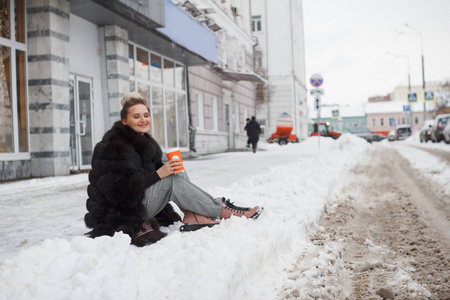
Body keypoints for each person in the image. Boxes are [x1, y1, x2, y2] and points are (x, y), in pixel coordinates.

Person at [85, 92, 264, 247]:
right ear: (124, 121)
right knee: (169, 177)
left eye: (146, 115)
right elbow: (119, 191)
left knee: (172, 165)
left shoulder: (144, 143)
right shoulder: (114, 146)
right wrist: (160, 173)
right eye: (136, 116)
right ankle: (220, 209)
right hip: (120, 213)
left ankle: (194, 213)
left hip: (137, 203)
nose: (143, 120)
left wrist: (166, 168)